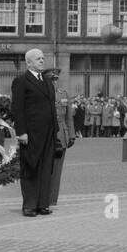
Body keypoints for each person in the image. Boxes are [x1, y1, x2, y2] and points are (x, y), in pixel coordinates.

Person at [12, 48, 57, 217]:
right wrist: (21, 132)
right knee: (31, 167)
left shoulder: (47, 80)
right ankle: (29, 205)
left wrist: (55, 130)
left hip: (48, 132)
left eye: (43, 58)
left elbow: (51, 106)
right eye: (38, 59)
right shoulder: (21, 81)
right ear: (28, 62)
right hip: (31, 133)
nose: (42, 61)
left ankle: (42, 203)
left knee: (46, 168)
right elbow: (18, 108)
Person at [47, 68, 75, 207]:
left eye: (55, 79)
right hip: (47, 135)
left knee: (57, 170)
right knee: (46, 169)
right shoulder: (44, 94)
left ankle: (52, 198)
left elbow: (69, 117)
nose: (54, 82)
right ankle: (43, 197)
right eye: (51, 79)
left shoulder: (63, 94)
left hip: (61, 135)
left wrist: (72, 135)